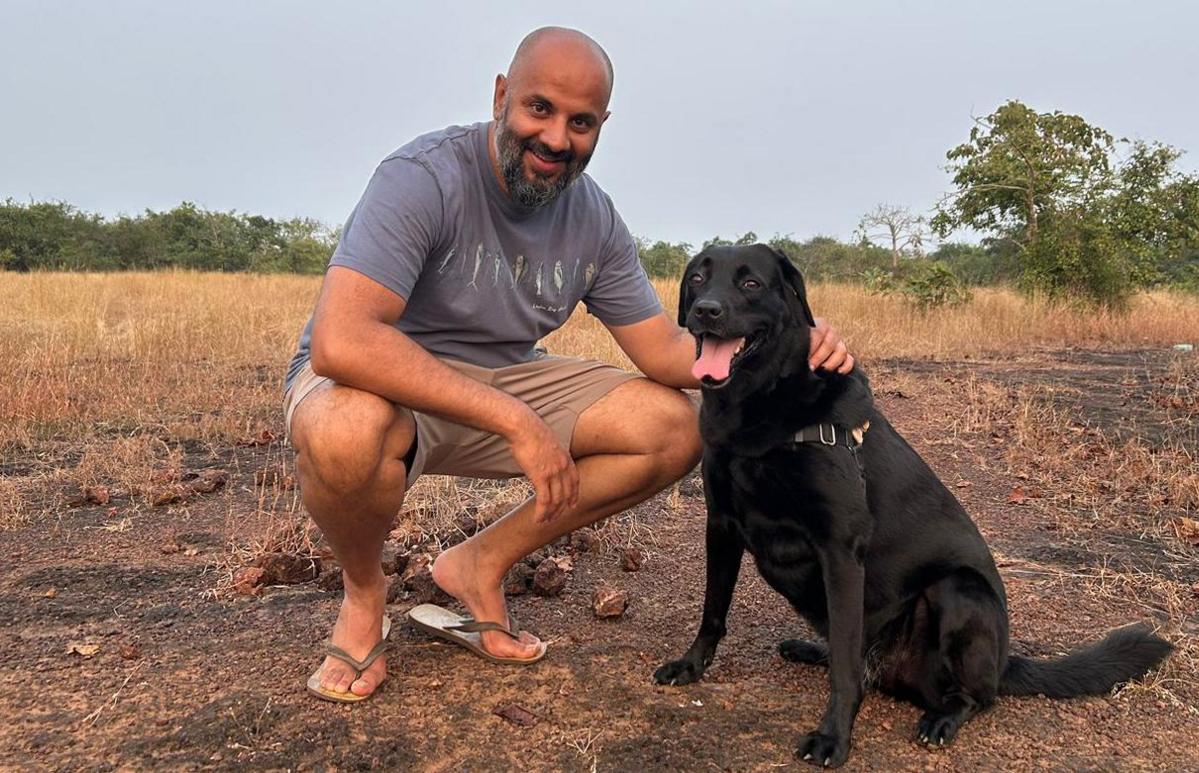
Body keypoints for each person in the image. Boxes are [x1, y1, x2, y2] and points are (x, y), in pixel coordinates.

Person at [284, 26, 854, 702]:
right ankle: (362, 592)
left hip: (504, 375)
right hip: (386, 381)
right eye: (539, 109)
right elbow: (343, 341)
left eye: (581, 123)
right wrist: (516, 420)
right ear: (501, 96)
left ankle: (478, 564)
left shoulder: (594, 219)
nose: (557, 139)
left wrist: (798, 339)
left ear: (601, 126)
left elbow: (666, 351)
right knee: (344, 428)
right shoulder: (423, 178)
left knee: (676, 426)